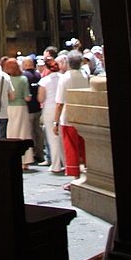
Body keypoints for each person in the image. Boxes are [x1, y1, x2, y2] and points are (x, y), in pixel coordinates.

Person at [53, 52, 88, 190]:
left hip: (68, 117)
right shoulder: (85, 75)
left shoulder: (65, 78)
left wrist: (55, 122)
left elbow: (60, 102)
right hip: (84, 115)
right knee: (84, 147)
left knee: (71, 147)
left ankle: (76, 177)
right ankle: (88, 173)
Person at [4, 58, 34, 169]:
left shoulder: (6, 79)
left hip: (8, 108)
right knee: (23, 132)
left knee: (10, 132)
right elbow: (27, 97)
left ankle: (11, 158)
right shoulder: (23, 79)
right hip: (21, 108)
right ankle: (24, 162)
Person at [38, 57, 65, 174]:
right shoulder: (63, 78)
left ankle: (56, 164)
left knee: (52, 139)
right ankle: (66, 162)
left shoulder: (45, 81)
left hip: (49, 109)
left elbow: (41, 98)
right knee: (63, 137)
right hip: (63, 108)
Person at [22, 55, 46, 164]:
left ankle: (31, 155)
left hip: (29, 108)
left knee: (30, 132)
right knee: (38, 132)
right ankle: (40, 153)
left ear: (25, 65)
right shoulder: (38, 75)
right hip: (38, 108)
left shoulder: (24, 77)